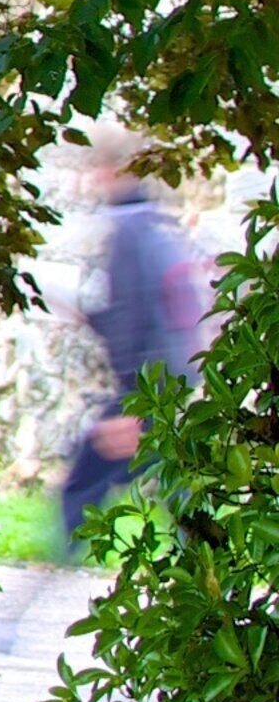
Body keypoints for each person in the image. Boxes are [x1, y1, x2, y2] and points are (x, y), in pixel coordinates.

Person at [58, 134, 213, 541]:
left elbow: (134, 315)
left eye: (99, 168)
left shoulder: (128, 231)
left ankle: (54, 569)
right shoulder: (157, 224)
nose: (94, 178)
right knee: (166, 470)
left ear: (117, 170)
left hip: (149, 377)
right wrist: (92, 317)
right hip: (176, 369)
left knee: (85, 478)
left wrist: (132, 396)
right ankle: (208, 556)